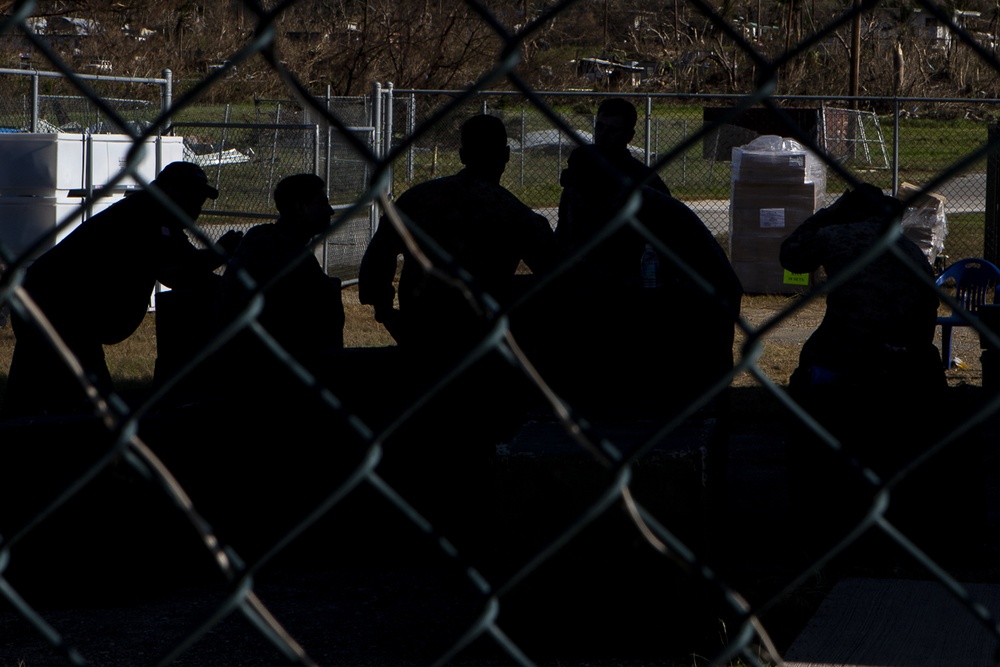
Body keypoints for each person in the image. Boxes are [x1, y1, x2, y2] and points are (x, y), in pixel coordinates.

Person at [779, 183, 949, 561]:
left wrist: (826, 215)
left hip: (850, 355)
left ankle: (815, 513)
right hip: (914, 361)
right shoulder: (906, 245)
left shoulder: (838, 233)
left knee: (806, 391)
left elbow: (791, 256)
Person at [2, 161, 241, 419]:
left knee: (36, 392)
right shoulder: (145, 216)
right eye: (194, 198)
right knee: (86, 399)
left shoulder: (158, 216)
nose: (198, 208)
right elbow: (181, 270)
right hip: (57, 308)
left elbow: (183, 271)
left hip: (54, 306)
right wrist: (220, 255)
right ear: (173, 192)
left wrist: (221, 275)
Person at [541, 144, 741, 417]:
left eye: (587, 192)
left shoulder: (652, 212)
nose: (580, 198)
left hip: (696, 310)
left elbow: (665, 284)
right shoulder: (584, 203)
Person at [358, 113, 559, 352]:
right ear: (506, 155)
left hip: (422, 328)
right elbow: (555, 275)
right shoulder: (516, 214)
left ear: (462, 156)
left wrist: (387, 313)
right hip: (481, 334)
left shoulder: (417, 200)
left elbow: (378, 257)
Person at [217, 173, 344, 372]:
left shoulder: (261, 238)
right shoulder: (289, 253)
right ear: (301, 207)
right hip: (274, 364)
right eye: (321, 203)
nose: (329, 210)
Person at [557, 98, 670, 254]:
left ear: (629, 136)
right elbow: (564, 226)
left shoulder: (643, 179)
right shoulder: (580, 170)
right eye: (600, 127)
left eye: (612, 130)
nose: (603, 136)